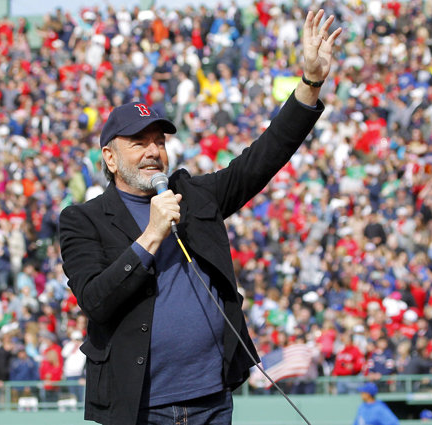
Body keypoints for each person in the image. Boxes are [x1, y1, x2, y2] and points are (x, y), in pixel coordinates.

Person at [59, 9, 342, 425]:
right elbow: (95, 300)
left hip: (211, 400)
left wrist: (311, 84)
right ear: (110, 158)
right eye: (138, 142)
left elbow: (262, 159)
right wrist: (150, 236)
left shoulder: (193, 195)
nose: (153, 150)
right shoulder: (83, 219)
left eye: (159, 141)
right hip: (139, 408)